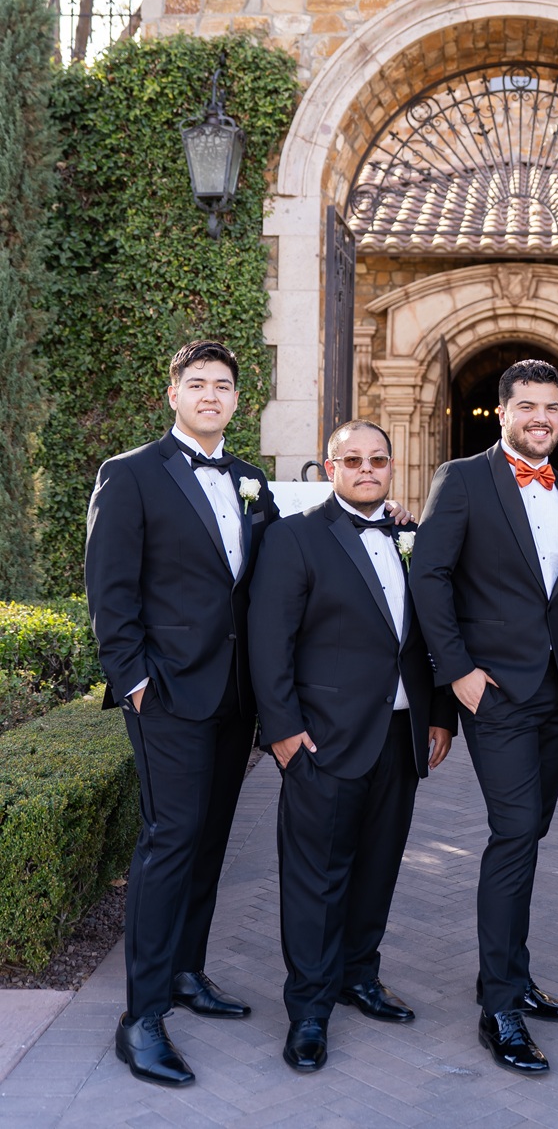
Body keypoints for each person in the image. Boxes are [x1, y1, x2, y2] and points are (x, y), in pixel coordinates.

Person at [85, 339, 278, 1088]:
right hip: (165, 692)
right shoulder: (131, 473)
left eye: (223, 385)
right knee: (169, 841)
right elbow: (110, 588)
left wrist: (384, 518)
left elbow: (272, 573)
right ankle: (141, 1017)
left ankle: (188, 972)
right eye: (197, 384)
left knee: (209, 840)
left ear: (236, 399)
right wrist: (133, 679)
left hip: (235, 696)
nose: (210, 395)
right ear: (173, 394)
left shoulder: (251, 479)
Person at [409, 359, 558, 1076]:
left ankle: (512, 974)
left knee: (530, 833)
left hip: (556, 692)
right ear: (503, 412)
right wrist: (458, 671)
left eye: (552, 407)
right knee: (515, 831)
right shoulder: (463, 479)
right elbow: (429, 575)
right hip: (493, 693)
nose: (541, 419)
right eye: (527, 406)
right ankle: (499, 1006)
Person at [248, 420, 456, 1074]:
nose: (368, 469)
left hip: (400, 735)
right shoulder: (293, 538)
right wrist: (282, 731)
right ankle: (309, 1011)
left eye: (378, 460)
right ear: (331, 467)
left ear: (392, 467)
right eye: (354, 460)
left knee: (378, 867)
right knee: (316, 879)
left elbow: (430, 633)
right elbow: (269, 641)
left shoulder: (410, 536)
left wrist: (439, 713)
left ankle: (358, 975)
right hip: (323, 740)